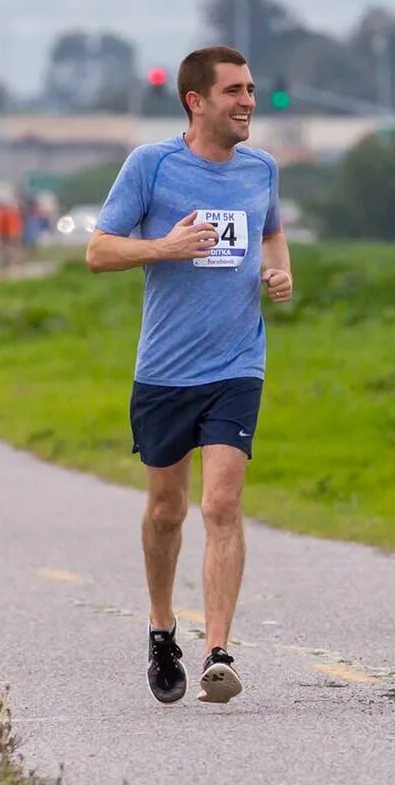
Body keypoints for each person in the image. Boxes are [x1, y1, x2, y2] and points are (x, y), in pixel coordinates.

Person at [88, 45, 293, 706]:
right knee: (166, 510)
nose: (248, 102)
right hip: (165, 370)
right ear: (195, 101)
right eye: (234, 90)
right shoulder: (151, 166)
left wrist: (278, 269)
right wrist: (164, 247)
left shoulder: (262, 168)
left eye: (252, 89)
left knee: (222, 504)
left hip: (238, 363)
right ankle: (160, 627)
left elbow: (271, 233)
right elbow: (97, 250)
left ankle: (220, 651)